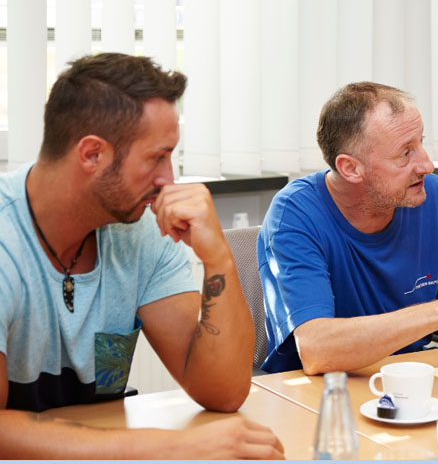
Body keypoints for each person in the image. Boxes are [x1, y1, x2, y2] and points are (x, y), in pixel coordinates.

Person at [0, 53, 283, 459]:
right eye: (156, 157)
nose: (169, 179)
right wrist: (173, 446)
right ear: (92, 154)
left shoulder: (139, 229)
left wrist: (218, 258)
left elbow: (222, 392)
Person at [258, 82, 438, 374]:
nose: (427, 165)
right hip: (322, 390)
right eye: (405, 153)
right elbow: (317, 350)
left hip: (410, 379)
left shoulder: (433, 197)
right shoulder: (294, 215)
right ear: (351, 168)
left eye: (420, 142)